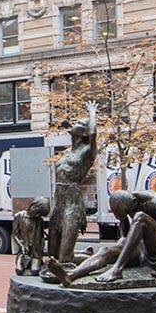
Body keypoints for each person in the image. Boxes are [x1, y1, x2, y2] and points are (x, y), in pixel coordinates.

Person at [43, 190, 156, 286]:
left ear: (134, 202)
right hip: (141, 249)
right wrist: (123, 220)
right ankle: (70, 275)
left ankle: (117, 269)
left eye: (127, 213)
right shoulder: (128, 204)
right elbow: (126, 236)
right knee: (105, 251)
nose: (129, 214)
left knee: (140, 217)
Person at [44, 105, 97, 271]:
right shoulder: (66, 152)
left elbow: (94, 134)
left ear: (84, 132)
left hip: (72, 202)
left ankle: (98, 258)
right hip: (58, 201)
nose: (74, 123)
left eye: (79, 123)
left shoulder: (87, 152)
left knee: (65, 259)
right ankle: (85, 254)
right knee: (52, 254)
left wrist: (92, 113)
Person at [13, 196, 50, 276]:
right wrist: (22, 246)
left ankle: (36, 263)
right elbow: (15, 235)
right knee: (19, 271)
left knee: (35, 271)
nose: (37, 215)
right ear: (33, 206)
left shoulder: (39, 221)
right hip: (24, 252)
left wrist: (40, 251)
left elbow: (41, 237)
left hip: (35, 253)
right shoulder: (19, 216)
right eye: (37, 212)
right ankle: (22, 261)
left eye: (39, 214)